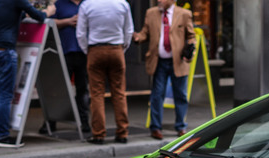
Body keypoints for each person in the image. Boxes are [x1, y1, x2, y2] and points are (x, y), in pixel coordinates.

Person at [0, 0, 56, 148]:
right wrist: (49, 11)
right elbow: (39, 17)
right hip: (5, 51)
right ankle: (2, 136)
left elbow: (17, 15)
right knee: (5, 95)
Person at [133, 0, 195, 140]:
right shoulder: (151, 13)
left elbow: (191, 36)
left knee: (181, 95)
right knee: (157, 95)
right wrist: (138, 37)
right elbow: (145, 33)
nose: (159, 0)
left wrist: (191, 49)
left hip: (178, 61)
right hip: (158, 61)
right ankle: (155, 127)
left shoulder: (184, 14)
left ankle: (181, 126)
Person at [76, 0, 133, 144]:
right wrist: (121, 49)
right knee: (119, 92)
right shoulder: (122, 4)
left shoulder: (87, 5)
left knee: (96, 94)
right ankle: (122, 133)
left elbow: (81, 33)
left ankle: (99, 134)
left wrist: (87, 51)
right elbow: (129, 31)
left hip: (95, 50)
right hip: (116, 49)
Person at [39, 0, 90, 135]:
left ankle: (84, 121)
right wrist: (67, 22)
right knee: (57, 88)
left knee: (83, 89)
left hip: (84, 53)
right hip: (64, 52)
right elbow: (49, 23)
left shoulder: (88, 3)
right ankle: (50, 122)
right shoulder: (60, 4)